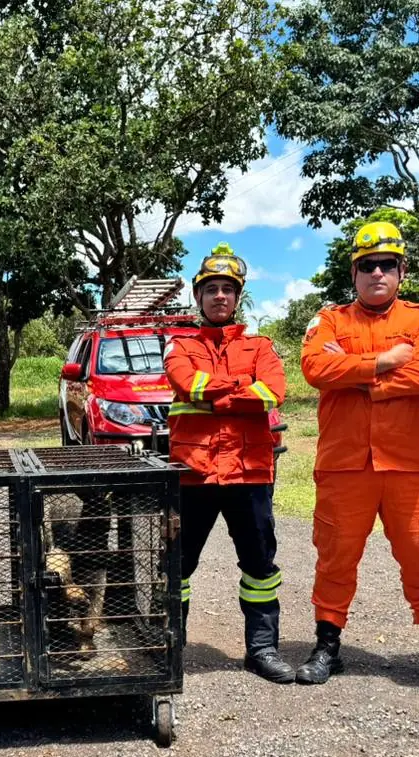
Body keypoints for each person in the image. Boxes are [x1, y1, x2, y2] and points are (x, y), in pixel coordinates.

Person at [298, 222, 419, 691]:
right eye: (367, 265)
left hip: (410, 466)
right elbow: (315, 367)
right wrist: (389, 360)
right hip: (344, 466)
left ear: (401, 270)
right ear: (354, 273)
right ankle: (326, 647)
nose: (377, 272)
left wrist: (362, 382)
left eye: (386, 264)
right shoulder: (329, 320)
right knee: (335, 558)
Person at [164, 243, 292, 682]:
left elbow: (273, 392)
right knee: (178, 565)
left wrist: (221, 391)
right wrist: (243, 388)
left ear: (239, 298)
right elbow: (187, 384)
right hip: (193, 473)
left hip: (250, 472)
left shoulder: (262, 346)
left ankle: (262, 650)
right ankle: (171, 647)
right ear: (198, 298)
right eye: (211, 289)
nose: (220, 296)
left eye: (228, 290)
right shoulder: (178, 345)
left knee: (259, 565)